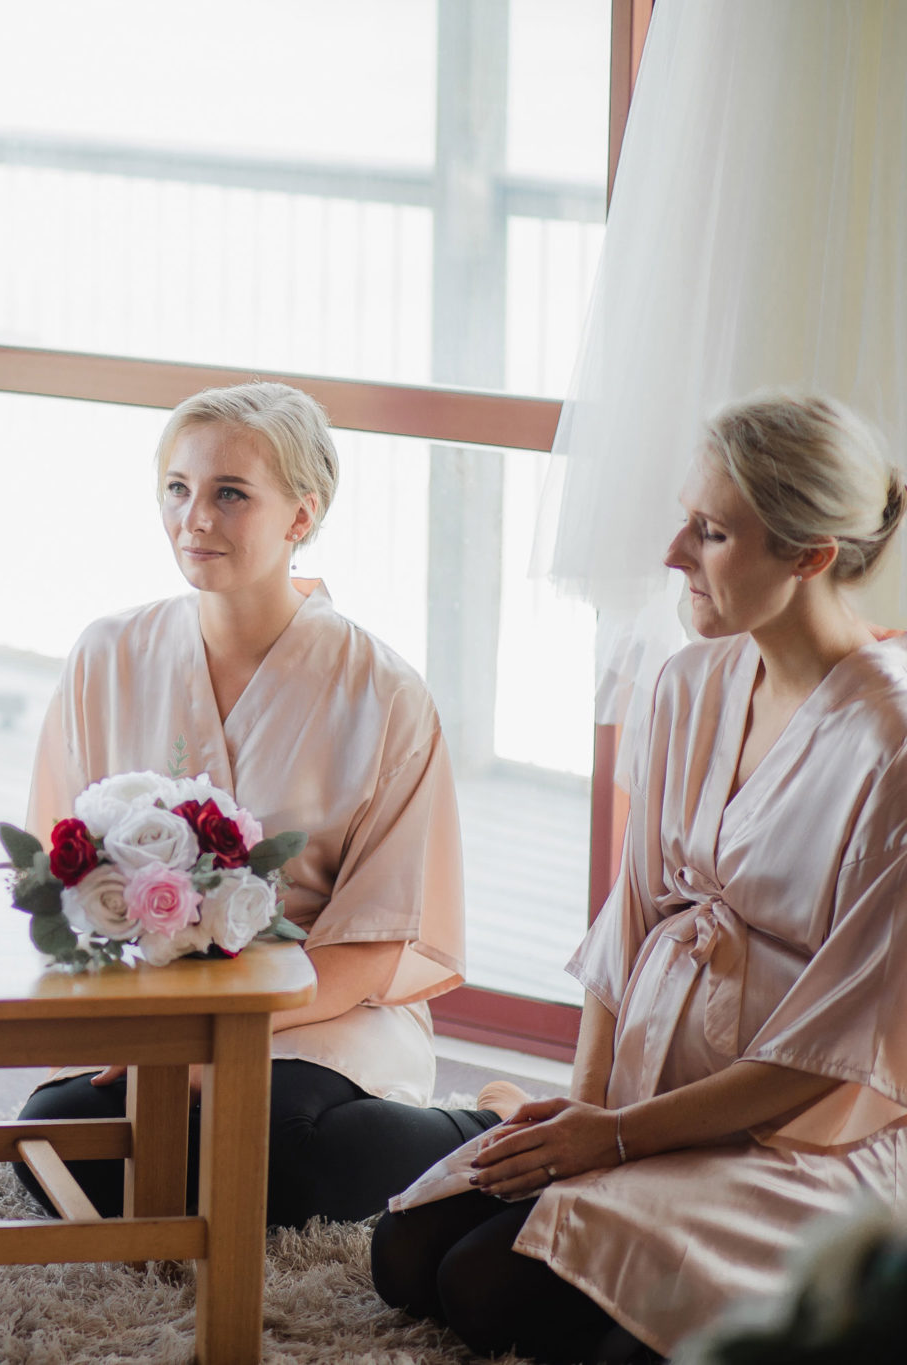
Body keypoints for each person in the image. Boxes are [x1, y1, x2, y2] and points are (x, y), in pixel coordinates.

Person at [372, 392, 907, 1363]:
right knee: (405, 1253)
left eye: (707, 532)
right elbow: (628, 926)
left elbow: (833, 1052)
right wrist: (586, 1108)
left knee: (483, 1286)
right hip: (640, 1088)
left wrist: (620, 1140)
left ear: (808, 555)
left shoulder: (891, 743)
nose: (671, 554)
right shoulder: (686, 684)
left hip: (793, 1135)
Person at [13, 382, 491, 1229]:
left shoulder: (384, 693)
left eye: (231, 494)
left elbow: (376, 943)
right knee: (53, 1147)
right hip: (154, 1005)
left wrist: (215, 1050)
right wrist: (160, 1039)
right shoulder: (107, 655)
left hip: (320, 1009)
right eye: (179, 489)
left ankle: (484, 1120)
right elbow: (62, 877)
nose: (195, 517)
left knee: (276, 1154)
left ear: (301, 516)